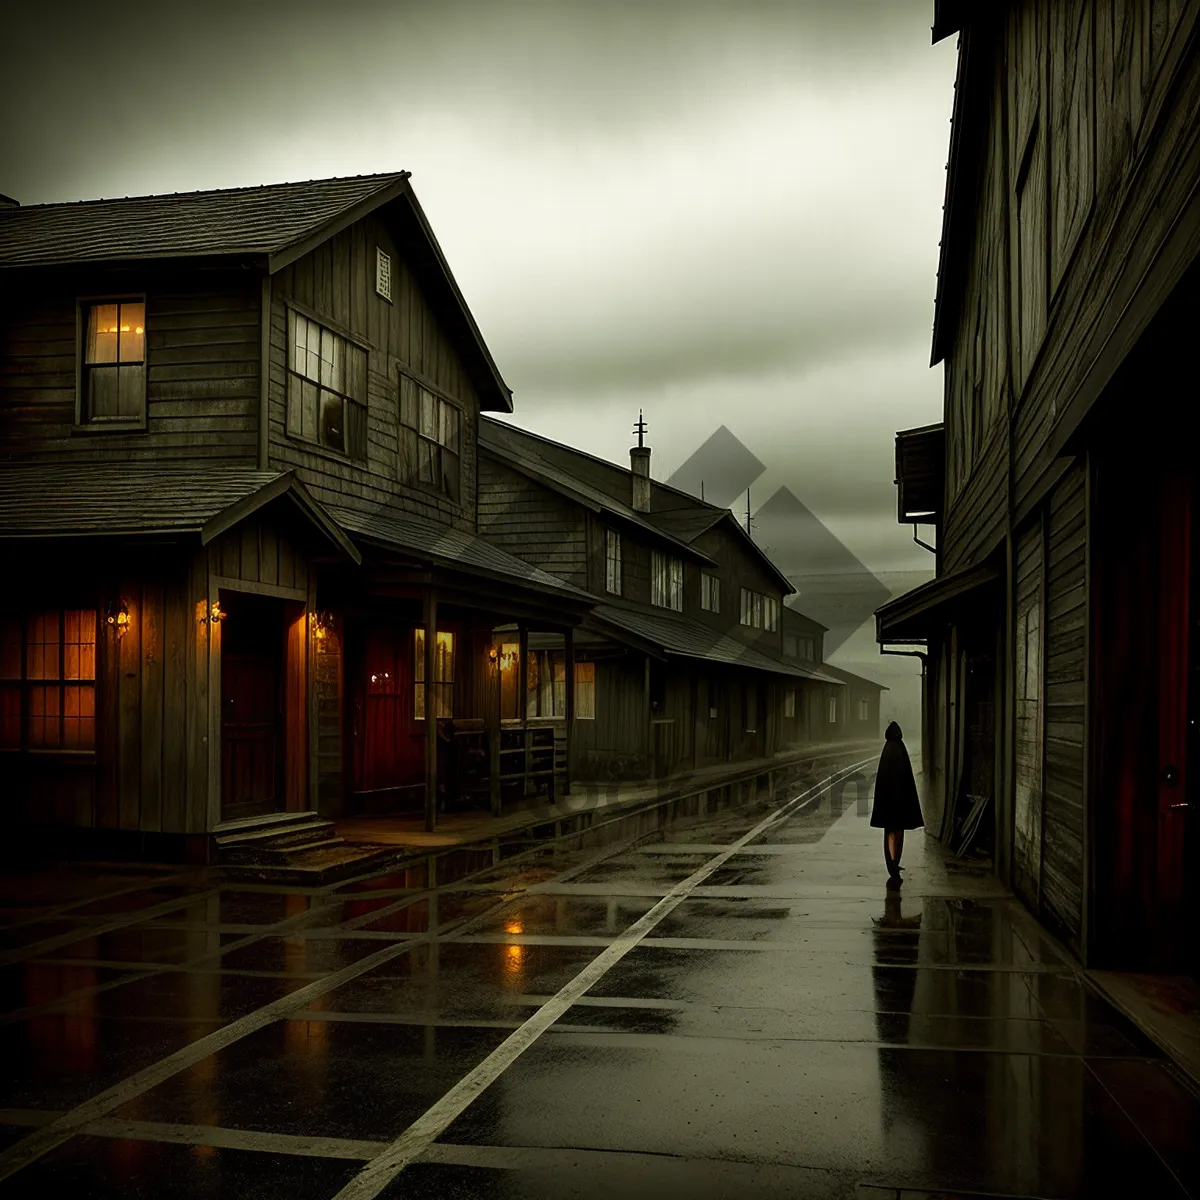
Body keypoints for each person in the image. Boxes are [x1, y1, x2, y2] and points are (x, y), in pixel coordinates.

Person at [869, 721, 923, 887]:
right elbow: (906, 779)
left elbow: (883, 780)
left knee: (890, 833)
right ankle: (894, 863)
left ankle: (891, 865)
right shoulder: (900, 749)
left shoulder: (887, 750)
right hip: (900, 803)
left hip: (887, 803)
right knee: (898, 833)